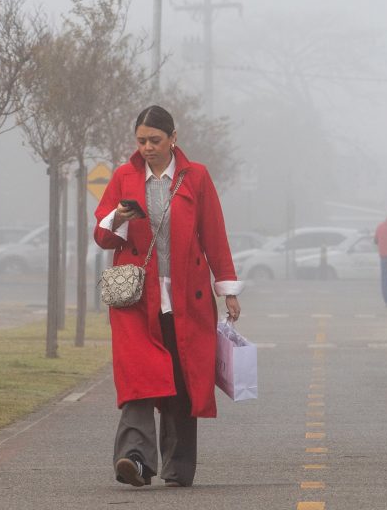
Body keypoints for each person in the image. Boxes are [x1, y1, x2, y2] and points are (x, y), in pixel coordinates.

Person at [93, 105, 242, 489]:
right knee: (138, 377)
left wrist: (227, 289)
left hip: (186, 300)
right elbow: (102, 234)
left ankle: (178, 467)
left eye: (155, 140)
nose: (147, 147)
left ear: (173, 138)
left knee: (182, 380)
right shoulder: (124, 176)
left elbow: (214, 234)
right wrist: (119, 219)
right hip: (136, 300)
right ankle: (137, 461)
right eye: (141, 140)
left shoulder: (197, 177)